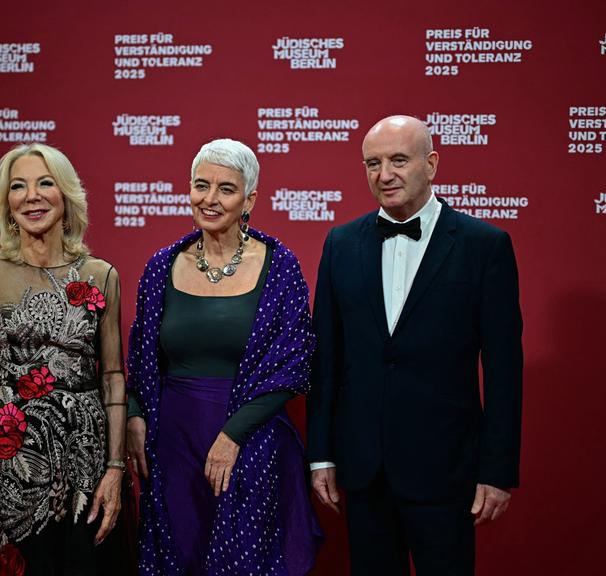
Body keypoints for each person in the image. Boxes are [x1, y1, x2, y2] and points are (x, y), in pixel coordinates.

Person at [306, 116, 523, 575]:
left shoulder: (484, 247)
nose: (384, 174)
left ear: (432, 164)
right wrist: (321, 454)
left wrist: (497, 470)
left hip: (447, 469)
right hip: (364, 470)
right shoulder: (340, 244)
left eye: (398, 160)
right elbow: (326, 360)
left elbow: (504, 371)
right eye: (373, 163)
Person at [126, 138, 322, 575]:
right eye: (201, 185)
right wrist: (135, 416)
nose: (210, 199)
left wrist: (233, 435)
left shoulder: (280, 266)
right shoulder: (161, 266)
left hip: (252, 442)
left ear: (249, 200)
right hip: (173, 447)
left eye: (226, 189)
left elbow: (294, 363)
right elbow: (140, 358)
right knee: (180, 557)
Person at [0, 143, 130, 575]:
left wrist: (115, 468)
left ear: (66, 196)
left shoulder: (101, 275)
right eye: (18, 186)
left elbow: (113, 377)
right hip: (7, 456)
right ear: (7, 203)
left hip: (83, 459)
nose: (31, 196)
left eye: (45, 183)